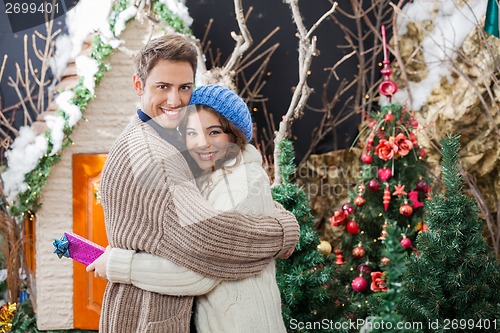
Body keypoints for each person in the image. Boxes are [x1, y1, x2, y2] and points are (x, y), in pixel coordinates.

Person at [86, 34, 299, 333]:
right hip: (148, 317)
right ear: (138, 85)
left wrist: (267, 205)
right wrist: (283, 231)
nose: (175, 100)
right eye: (163, 87)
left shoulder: (151, 138)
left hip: (145, 310)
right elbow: (209, 240)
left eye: (184, 87)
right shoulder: (156, 155)